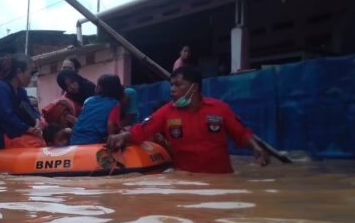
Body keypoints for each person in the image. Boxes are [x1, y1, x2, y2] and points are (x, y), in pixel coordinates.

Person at [106, 66, 269, 174]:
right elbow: (143, 130)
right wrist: (121, 137)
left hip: (221, 181)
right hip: (186, 181)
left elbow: (241, 133)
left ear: (194, 87)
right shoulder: (167, 112)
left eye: (178, 85)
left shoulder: (220, 109)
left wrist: (256, 149)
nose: (172, 90)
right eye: (171, 85)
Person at [0, 54, 45, 150]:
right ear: (19, 72)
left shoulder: (20, 90)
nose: (32, 77)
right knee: (36, 144)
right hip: (0, 137)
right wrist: (28, 129)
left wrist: (37, 120)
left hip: (16, 132)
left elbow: (32, 109)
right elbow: (7, 116)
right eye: (31, 73)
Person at [70, 74, 124, 145]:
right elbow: (110, 124)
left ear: (99, 88)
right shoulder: (115, 104)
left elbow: (82, 119)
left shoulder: (88, 100)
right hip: (92, 142)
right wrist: (112, 139)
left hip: (74, 139)